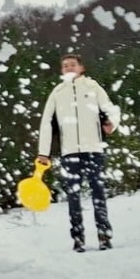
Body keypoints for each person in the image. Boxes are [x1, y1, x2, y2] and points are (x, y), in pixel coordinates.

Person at [36, 53, 122, 252]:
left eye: (72, 64)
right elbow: (46, 123)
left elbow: (111, 109)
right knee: (73, 196)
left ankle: (104, 235)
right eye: (65, 65)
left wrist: (112, 124)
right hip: (70, 152)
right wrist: (43, 152)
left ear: (81, 68)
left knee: (98, 193)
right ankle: (78, 238)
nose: (69, 67)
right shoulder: (57, 92)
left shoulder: (93, 87)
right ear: (61, 70)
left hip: (94, 149)